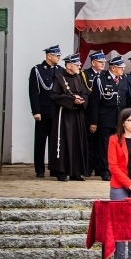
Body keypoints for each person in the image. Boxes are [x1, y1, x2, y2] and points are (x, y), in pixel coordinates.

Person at [107, 108, 131, 259]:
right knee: (120, 224)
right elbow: (113, 166)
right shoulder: (114, 140)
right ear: (122, 122)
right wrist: (128, 184)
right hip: (119, 186)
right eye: (130, 120)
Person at [86, 55, 127, 181]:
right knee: (105, 146)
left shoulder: (123, 79)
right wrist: (94, 121)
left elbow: (126, 99)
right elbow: (94, 103)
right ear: (113, 68)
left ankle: (117, 170)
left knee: (118, 145)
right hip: (105, 118)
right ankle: (104, 170)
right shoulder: (101, 79)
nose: (123, 70)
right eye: (120, 68)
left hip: (119, 119)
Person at [49, 54, 89, 182]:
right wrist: (72, 100)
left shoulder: (78, 77)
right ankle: (61, 171)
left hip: (77, 115)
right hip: (64, 115)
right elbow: (55, 96)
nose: (79, 66)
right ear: (68, 65)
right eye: (77, 64)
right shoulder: (59, 78)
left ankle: (76, 172)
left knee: (77, 142)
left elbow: (85, 93)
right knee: (65, 142)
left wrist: (82, 101)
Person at [29, 45, 62, 178]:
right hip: (43, 111)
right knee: (41, 141)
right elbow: (33, 92)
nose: (59, 58)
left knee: (55, 142)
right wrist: (36, 111)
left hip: (57, 111)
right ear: (49, 56)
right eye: (57, 55)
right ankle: (39, 169)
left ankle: (54, 168)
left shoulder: (60, 70)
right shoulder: (37, 70)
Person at [82, 51, 107, 177]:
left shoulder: (104, 76)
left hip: (102, 114)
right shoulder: (85, 74)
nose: (103, 64)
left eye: (104, 62)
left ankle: (98, 168)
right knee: (89, 143)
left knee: (100, 144)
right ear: (93, 62)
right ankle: (87, 167)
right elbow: (87, 93)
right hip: (89, 112)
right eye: (100, 62)